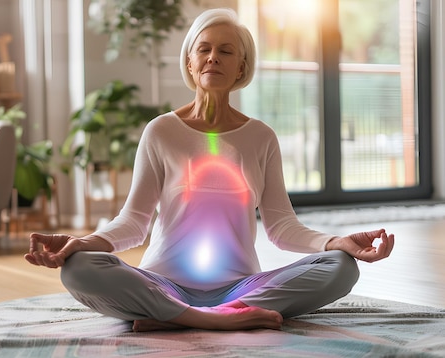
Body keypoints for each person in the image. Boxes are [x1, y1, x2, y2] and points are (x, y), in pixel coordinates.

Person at [25, 7, 394, 332]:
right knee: (78, 268)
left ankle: (180, 317)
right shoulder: (161, 131)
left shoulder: (261, 137)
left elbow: (282, 228)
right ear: (190, 62)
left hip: (241, 286)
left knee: (342, 268)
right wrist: (82, 243)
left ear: (241, 67)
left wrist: (336, 242)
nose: (213, 58)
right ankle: (211, 317)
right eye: (204, 49)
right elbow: (134, 223)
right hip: (161, 283)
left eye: (226, 51)